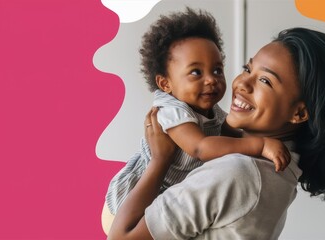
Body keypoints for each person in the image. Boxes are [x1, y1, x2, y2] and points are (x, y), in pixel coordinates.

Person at [105, 27, 325, 239]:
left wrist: (159, 161)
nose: (241, 83)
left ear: (300, 113)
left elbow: (121, 237)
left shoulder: (238, 171)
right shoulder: (281, 167)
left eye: (265, 80)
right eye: (247, 69)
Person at [102, 7, 290, 234]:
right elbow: (201, 148)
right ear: (165, 84)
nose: (211, 80)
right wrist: (260, 145)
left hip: (165, 195)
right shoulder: (171, 111)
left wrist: (236, 127)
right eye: (196, 73)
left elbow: (225, 140)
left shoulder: (208, 107)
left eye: (217, 70)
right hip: (127, 203)